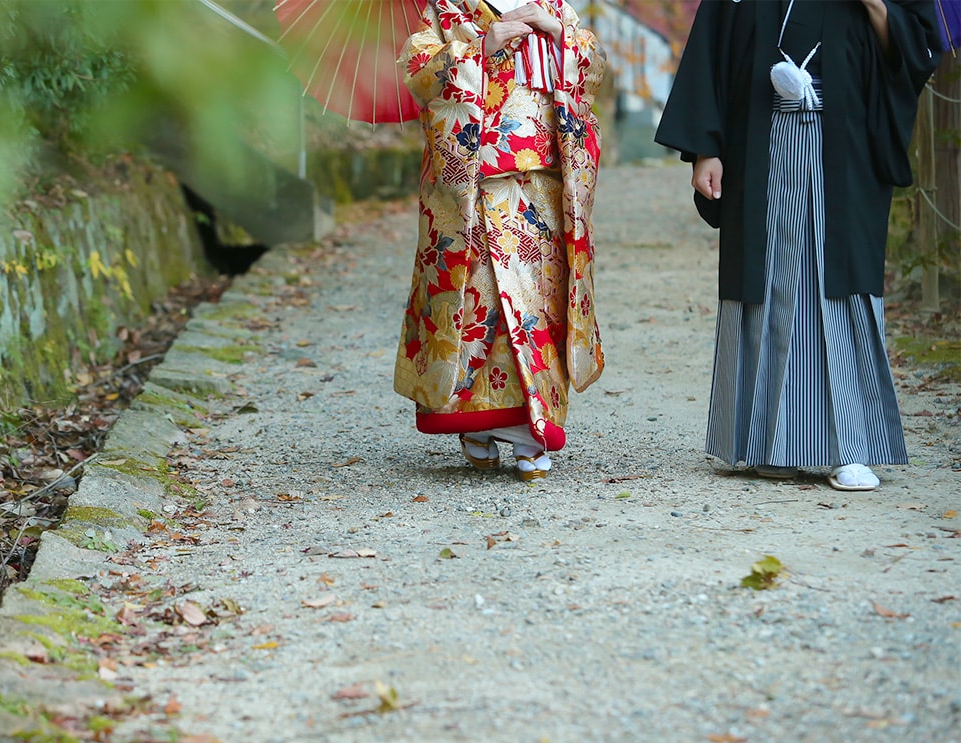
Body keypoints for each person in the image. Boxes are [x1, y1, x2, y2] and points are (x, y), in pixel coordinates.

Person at [655, 0, 941, 491]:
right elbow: (713, 50)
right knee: (771, 283)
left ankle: (851, 447)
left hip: (845, 144)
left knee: (839, 287)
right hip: (759, 143)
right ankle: (771, 442)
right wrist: (707, 148)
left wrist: (874, 4)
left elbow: (915, 49)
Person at [394, 0, 605, 481]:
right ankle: (480, 420)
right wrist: (480, 45)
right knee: (480, 304)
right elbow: (418, 71)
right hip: (476, 188)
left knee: (540, 303)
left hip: (545, 184)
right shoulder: (446, 9)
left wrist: (558, 34)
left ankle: (530, 428)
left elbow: (593, 69)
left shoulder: (553, 6)